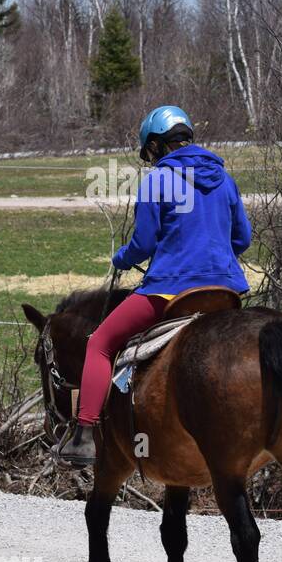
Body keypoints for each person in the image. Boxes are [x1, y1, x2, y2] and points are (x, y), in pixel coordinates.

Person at [57, 105, 252, 465]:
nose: (150, 160)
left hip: (169, 292)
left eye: (150, 152)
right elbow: (243, 238)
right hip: (225, 293)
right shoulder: (225, 179)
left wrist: (122, 259)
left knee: (100, 343)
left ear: (159, 145)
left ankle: (84, 434)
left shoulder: (157, 180)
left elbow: (144, 244)